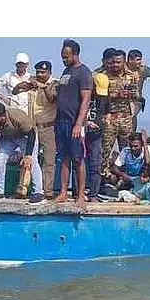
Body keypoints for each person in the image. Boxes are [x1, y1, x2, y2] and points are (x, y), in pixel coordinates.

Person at [53, 39, 92, 207]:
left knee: (78, 159)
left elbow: (86, 100)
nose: (64, 59)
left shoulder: (83, 72)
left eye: (66, 56)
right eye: (62, 56)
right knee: (64, 158)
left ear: (75, 54)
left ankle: (81, 194)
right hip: (60, 121)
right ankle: (63, 192)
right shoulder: (66, 71)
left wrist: (78, 123)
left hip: (74, 123)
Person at [102, 49, 140, 179]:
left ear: (124, 62)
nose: (115, 65)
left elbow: (136, 95)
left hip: (125, 118)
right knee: (105, 151)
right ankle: (104, 177)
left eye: (118, 62)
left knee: (127, 150)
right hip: (110, 118)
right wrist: (116, 95)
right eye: (113, 62)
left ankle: (124, 178)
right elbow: (100, 97)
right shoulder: (104, 76)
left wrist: (131, 94)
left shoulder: (132, 76)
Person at [27, 60, 58, 194]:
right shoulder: (33, 84)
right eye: (38, 72)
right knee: (30, 159)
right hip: (32, 127)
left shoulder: (55, 84)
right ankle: (34, 189)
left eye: (42, 72)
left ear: (49, 73)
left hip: (48, 127)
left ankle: (48, 191)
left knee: (48, 160)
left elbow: (52, 99)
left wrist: (43, 86)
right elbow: (15, 91)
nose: (39, 74)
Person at [85, 71, 110, 201]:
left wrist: (106, 121)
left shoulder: (104, 97)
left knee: (95, 164)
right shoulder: (83, 95)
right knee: (79, 162)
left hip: (97, 135)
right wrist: (87, 123)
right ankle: (78, 192)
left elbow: (107, 113)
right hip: (82, 133)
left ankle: (93, 194)